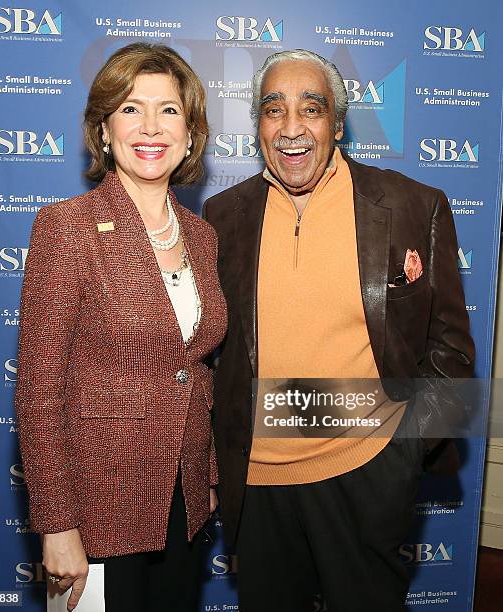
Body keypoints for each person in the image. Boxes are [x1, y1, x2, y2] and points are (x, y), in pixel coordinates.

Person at [203, 49, 474, 612]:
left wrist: (400, 455)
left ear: (339, 124)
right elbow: (212, 357)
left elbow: (450, 350)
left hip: (366, 473)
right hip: (258, 486)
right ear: (258, 125)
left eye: (312, 108)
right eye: (274, 110)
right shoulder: (222, 216)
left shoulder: (411, 206)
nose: (292, 127)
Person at [15, 42, 227, 612]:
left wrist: (205, 478)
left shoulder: (201, 237)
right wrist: (58, 525)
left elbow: (195, 369)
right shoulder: (69, 229)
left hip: (181, 503)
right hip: (98, 506)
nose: (151, 126)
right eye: (131, 108)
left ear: (190, 132)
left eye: (169, 109)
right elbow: (39, 389)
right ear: (104, 129)